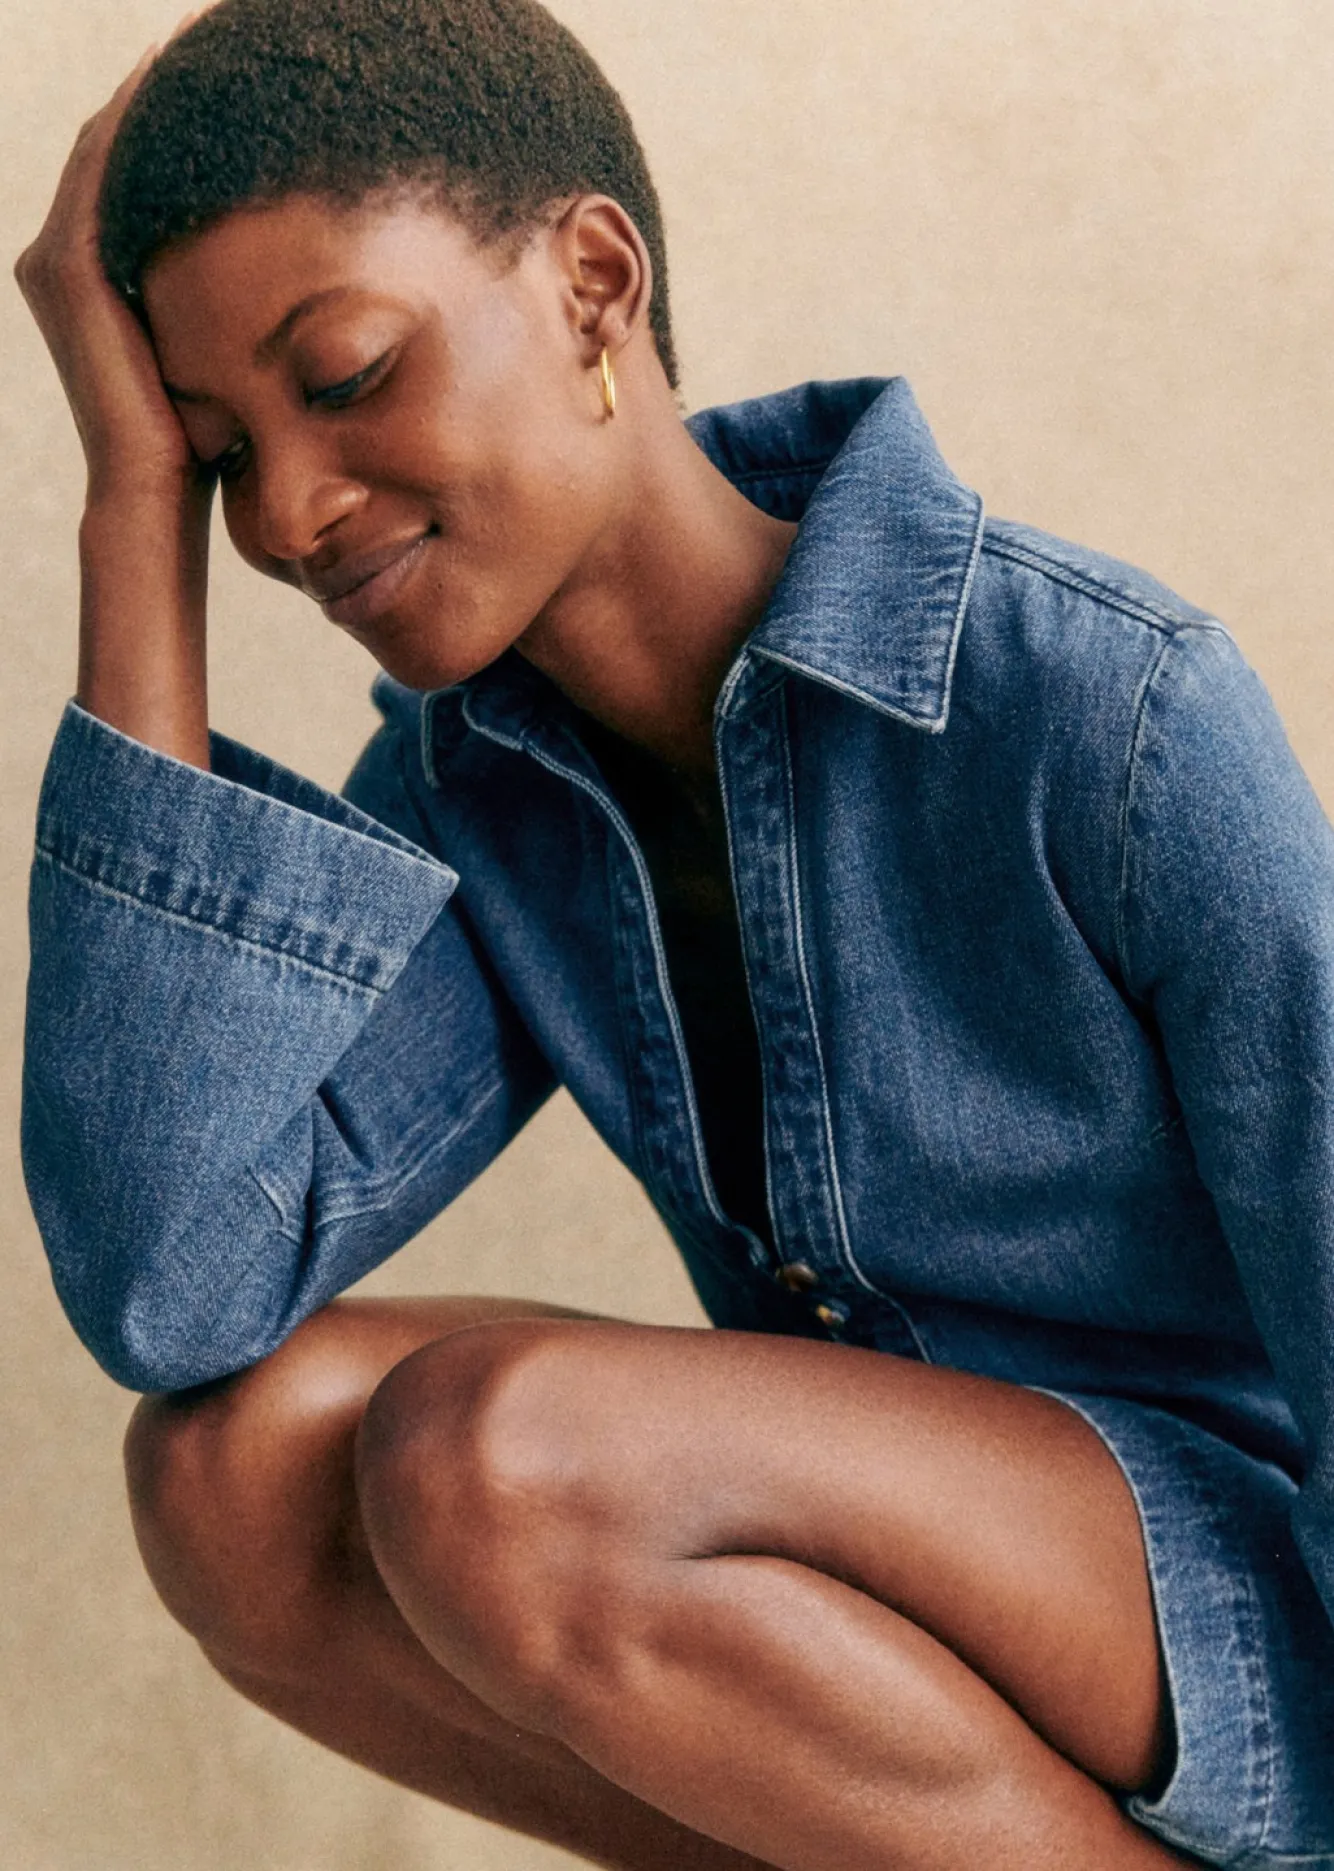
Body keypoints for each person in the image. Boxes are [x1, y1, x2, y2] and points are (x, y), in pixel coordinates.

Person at [14, 0, 1334, 1865]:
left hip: (1248, 1628)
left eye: (347, 374)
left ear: (592, 283)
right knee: (233, 1473)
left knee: (498, 1456)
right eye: (225, 452)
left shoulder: (1106, 708)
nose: (288, 513)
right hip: (853, 1660)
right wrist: (130, 511)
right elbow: (172, 1290)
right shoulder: (478, 793)